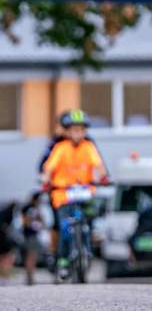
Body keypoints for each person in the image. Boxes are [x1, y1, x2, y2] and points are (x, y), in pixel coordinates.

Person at [42, 109, 108, 279]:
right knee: (64, 226)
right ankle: (63, 260)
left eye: (80, 130)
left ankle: (88, 246)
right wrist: (46, 181)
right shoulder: (60, 147)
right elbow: (49, 168)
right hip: (63, 194)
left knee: (90, 219)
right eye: (73, 130)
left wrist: (103, 177)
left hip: (85, 192)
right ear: (67, 131)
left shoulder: (88, 146)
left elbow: (99, 164)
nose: (77, 133)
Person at [21, 192, 47, 286]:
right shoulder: (30, 208)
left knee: (31, 255)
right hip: (30, 234)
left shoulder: (31, 207)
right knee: (32, 255)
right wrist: (36, 225)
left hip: (30, 234)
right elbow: (26, 221)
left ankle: (30, 276)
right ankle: (30, 277)